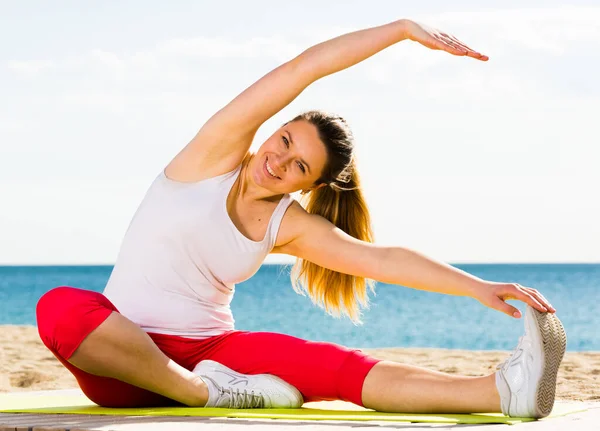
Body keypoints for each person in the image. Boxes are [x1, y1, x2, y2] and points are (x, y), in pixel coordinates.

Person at [36, 18, 566, 419]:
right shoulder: (210, 158)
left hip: (215, 352)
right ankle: (202, 393)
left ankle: (502, 391)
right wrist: (401, 30)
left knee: (333, 366)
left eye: (299, 167)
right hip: (120, 356)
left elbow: (379, 260)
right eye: (284, 140)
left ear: (309, 187)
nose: (278, 161)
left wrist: (478, 287)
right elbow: (302, 69)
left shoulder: (287, 224)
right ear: (274, 127)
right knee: (60, 308)